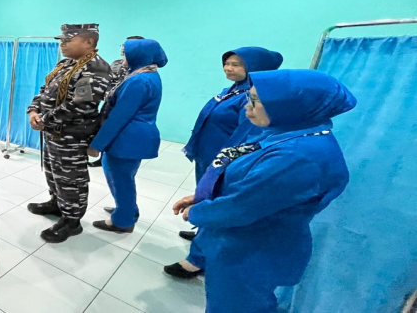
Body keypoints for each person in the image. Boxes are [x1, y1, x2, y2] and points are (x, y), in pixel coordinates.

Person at [172, 69, 356, 313]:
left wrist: (196, 212)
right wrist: (204, 195)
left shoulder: (296, 156)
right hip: (241, 239)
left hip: (250, 249)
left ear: (291, 106)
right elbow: (244, 177)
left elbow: (240, 208)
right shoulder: (284, 133)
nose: (246, 106)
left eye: (256, 101)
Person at [165, 47, 283, 279]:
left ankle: (198, 260)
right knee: (205, 198)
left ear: (255, 67)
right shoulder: (233, 90)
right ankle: (202, 231)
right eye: (226, 63)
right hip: (209, 157)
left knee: (214, 202)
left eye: (236, 64)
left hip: (224, 163)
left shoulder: (253, 97)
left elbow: (244, 137)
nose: (228, 68)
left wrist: (223, 165)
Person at [26, 23, 111, 243]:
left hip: (72, 135)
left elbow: (81, 105)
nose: (62, 44)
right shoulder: (66, 64)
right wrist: (33, 110)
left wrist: (44, 119)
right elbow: (45, 91)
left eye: (67, 40)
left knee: (71, 179)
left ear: (89, 42)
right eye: (61, 40)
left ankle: (72, 221)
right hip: (54, 131)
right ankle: (57, 204)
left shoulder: (94, 68)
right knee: (53, 173)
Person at [87, 38, 167, 232]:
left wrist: (97, 144)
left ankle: (123, 221)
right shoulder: (145, 74)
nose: (122, 56)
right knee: (123, 178)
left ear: (139, 55)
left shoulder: (139, 81)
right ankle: (127, 209)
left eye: (126, 53)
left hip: (128, 137)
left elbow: (119, 116)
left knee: (120, 180)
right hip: (133, 135)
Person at [88, 35, 145, 168]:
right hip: (109, 104)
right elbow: (108, 81)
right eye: (124, 45)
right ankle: (102, 158)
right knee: (103, 128)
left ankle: (119, 159)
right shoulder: (116, 63)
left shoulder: (142, 68)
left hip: (126, 106)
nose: (124, 48)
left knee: (121, 133)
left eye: (129, 45)